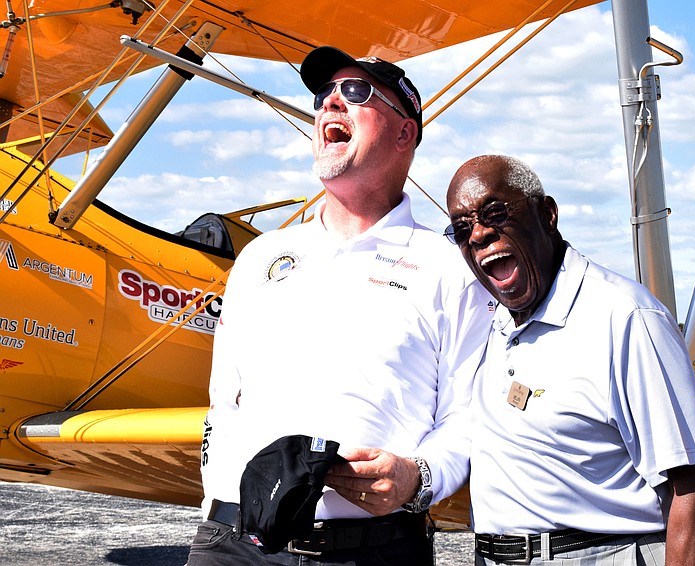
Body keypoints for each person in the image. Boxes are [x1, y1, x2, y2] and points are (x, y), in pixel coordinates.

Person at [186, 47, 492, 565]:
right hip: (231, 544)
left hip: (369, 550)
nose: (331, 103)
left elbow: (468, 417)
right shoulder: (262, 256)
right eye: (323, 95)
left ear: (404, 133)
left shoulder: (453, 269)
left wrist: (418, 477)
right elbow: (224, 399)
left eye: (356, 92)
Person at [444, 155, 695, 565]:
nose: (480, 234)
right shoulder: (488, 323)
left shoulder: (625, 316)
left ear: (547, 213)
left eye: (495, 213)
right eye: (463, 229)